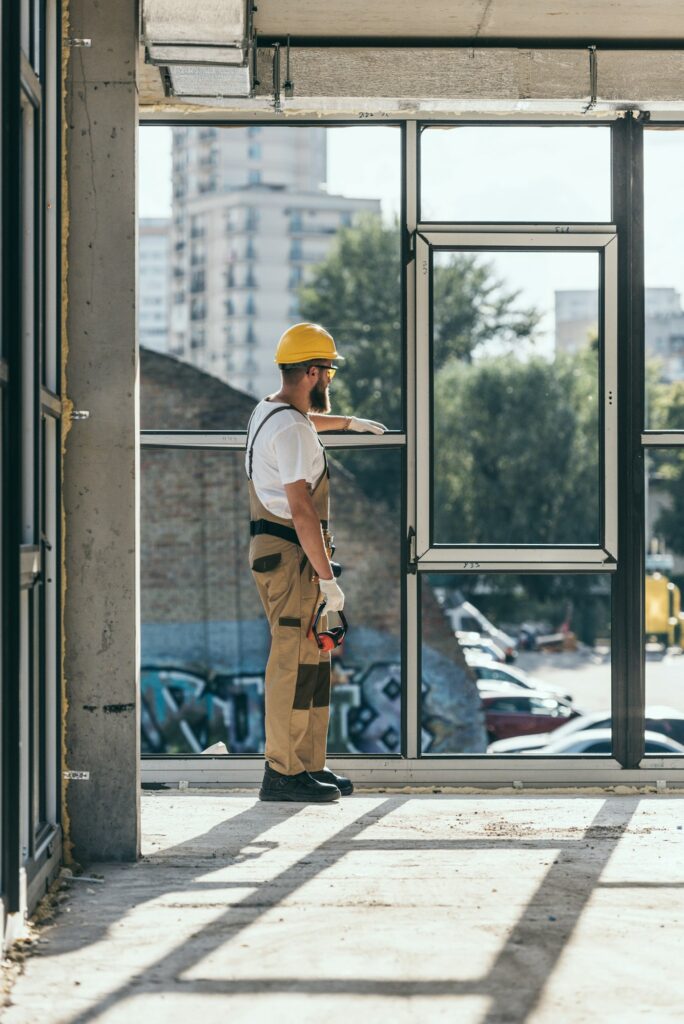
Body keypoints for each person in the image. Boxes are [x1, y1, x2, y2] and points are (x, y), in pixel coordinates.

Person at [246, 322, 386, 802]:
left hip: (285, 554)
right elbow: (303, 511)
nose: (331, 379)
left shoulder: (273, 412)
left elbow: (302, 427)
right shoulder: (291, 430)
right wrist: (328, 580)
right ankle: (281, 773)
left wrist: (346, 422)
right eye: (328, 371)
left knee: (313, 657)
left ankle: (308, 764)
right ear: (311, 372)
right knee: (291, 659)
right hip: (292, 556)